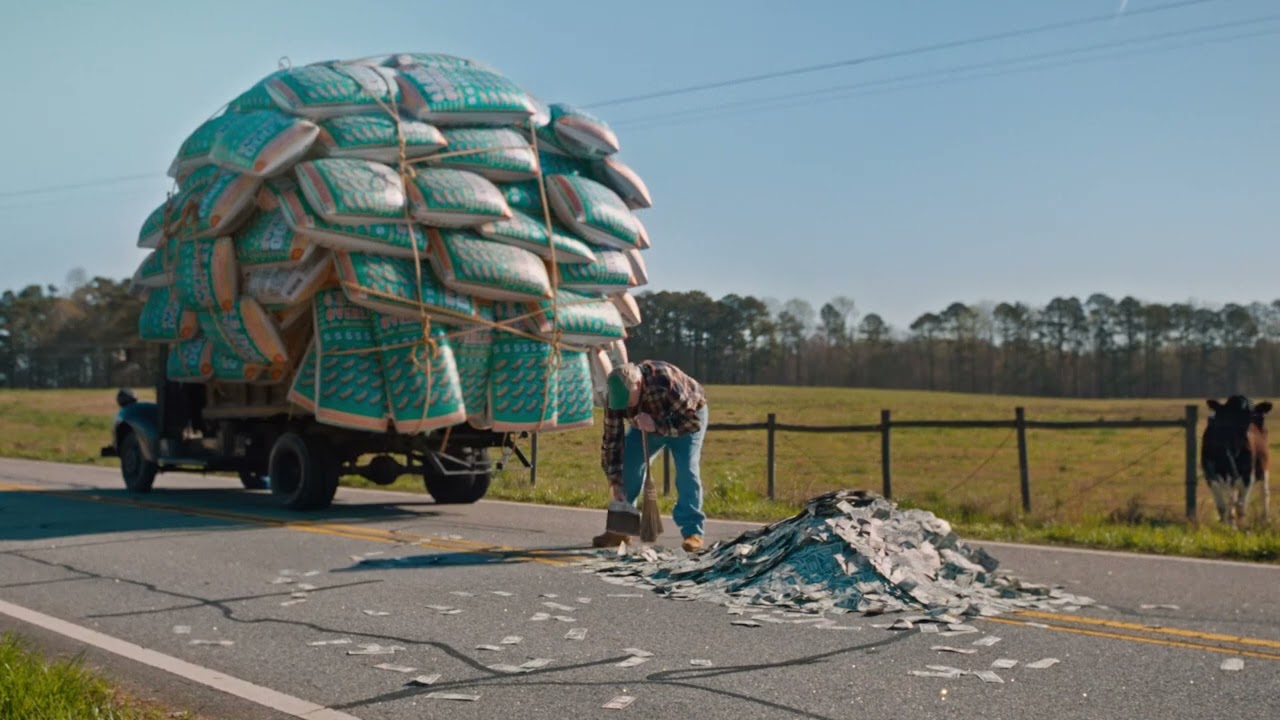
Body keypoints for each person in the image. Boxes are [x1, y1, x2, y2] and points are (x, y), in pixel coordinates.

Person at [593, 360, 709, 552]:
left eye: (628, 402)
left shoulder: (664, 380)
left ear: (638, 385)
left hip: (685, 420)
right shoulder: (615, 396)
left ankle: (693, 533)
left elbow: (692, 422)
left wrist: (656, 425)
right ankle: (621, 529)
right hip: (645, 425)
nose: (624, 407)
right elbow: (612, 440)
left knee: (686, 470)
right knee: (627, 465)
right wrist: (615, 481)